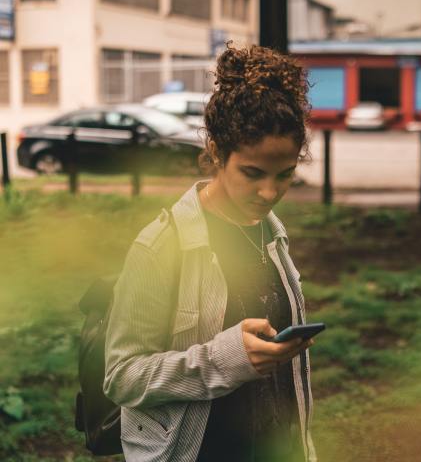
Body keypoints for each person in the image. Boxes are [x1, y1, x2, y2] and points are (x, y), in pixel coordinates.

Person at [103, 43, 317, 462]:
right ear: (217, 152)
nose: (270, 192)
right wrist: (223, 360)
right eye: (252, 174)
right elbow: (122, 377)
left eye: (285, 174)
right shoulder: (162, 244)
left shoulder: (272, 233)